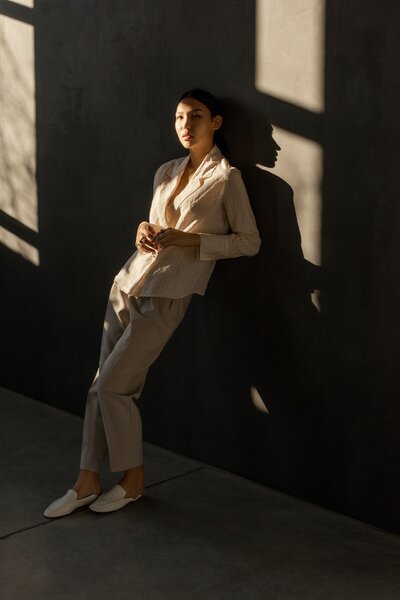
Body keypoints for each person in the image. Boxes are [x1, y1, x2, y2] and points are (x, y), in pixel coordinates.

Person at [43, 88, 261, 517]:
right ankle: (86, 480)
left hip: (169, 293)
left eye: (196, 116)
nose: (185, 125)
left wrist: (190, 240)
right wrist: (144, 227)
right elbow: (158, 223)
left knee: (113, 386)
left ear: (215, 123)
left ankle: (133, 479)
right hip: (128, 282)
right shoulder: (165, 170)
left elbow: (249, 242)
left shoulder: (227, 178)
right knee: (99, 385)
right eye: (179, 117)